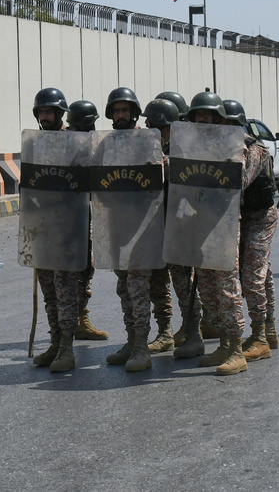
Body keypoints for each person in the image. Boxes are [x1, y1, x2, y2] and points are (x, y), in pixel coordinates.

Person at [30, 89, 95, 373]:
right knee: (49, 291)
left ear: (60, 115)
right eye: (41, 113)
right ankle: (55, 342)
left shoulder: (76, 142)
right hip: (44, 229)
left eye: (49, 112)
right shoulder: (34, 144)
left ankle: (67, 348)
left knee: (66, 290)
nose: (45, 117)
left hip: (70, 228)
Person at [186, 91, 248, 376]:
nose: (202, 120)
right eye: (198, 116)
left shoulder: (234, 145)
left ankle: (236, 348)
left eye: (207, 115)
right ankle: (224, 342)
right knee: (207, 287)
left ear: (218, 118)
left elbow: (239, 178)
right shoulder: (189, 145)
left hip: (223, 222)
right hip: (199, 222)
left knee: (226, 286)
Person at [103, 87, 155, 371]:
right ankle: (131, 339)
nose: (121, 115)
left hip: (142, 226)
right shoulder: (106, 143)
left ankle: (142, 347)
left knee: (138, 288)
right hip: (117, 226)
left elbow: (158, 176)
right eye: (117, 111)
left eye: (126, 110)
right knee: (124, 287)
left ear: (134, 113)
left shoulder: (147, 141)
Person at [223, 100, 277, 361]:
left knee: (252, 277)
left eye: (232, 124)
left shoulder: (255, 150)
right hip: (240, 219)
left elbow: (239, 181)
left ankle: (261, 338)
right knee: (262, 274)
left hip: (260, 218)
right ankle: (269, 328)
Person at [62, 97, 109, 342]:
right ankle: (64, 324)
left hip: (85, 213)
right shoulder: (60, 143)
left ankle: (81, 318)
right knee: (63, 274)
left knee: (85, 267)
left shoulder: (93, 145)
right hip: (63, 217)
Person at [143, 98, 182, 356]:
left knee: (183, 282)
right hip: (153, 223)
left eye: (158, 127)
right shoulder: (146, 146)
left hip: (178, 225)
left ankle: (193, 329)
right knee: (158, 281)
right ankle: (165, 331)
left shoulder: (183, 147)